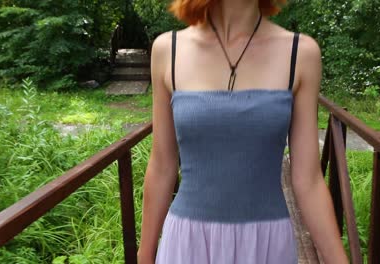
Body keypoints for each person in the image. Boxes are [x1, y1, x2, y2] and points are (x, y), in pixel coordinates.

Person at [137, 0, 349, 263]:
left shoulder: (300, 53)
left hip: (266, 245)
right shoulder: (168, 49)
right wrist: (144, 255)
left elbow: (308, 180)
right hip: (188, 243)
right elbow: (161, 167)